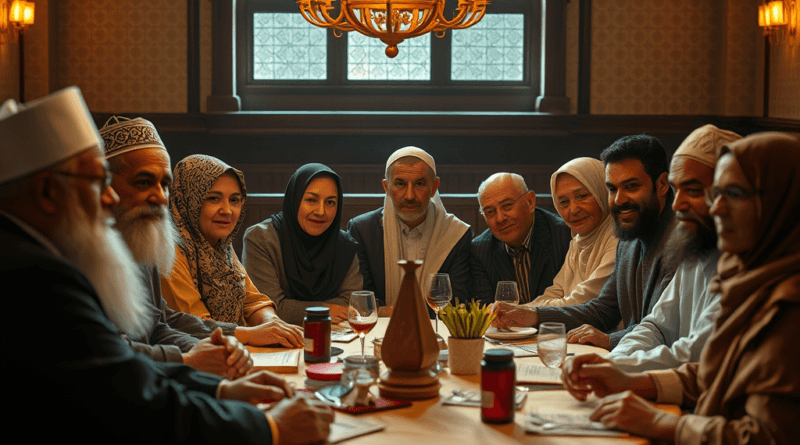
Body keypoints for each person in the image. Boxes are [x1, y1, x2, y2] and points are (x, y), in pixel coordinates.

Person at [0, 87, 333, 444]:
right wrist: (270, 428)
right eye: (99, 183)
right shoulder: (35, 276)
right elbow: (128, 394)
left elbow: (151, 332)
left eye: (165, 184)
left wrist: (221, 390)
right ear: (48, 192)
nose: (109, 197)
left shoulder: (93, 247)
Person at [560, 132, 800, 444]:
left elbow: (766, 436)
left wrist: (662, 422)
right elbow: (707, 367)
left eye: (734, 193)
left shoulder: (788, 299)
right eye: (715, 194)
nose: (716, 208)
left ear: (778, 202)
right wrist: (622, 373)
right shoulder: (735, 267)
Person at [102, 117, 299, 378]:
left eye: (165, 185)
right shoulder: (155, 247)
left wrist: (215, 347)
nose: (161, 197)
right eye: (143, 182)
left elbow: (161, 323)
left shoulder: (151, 240)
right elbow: (112, 352)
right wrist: (195, 357)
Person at [493, 135, 678, 350]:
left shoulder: (681, 241)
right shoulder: (630, 236)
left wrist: (610, 340)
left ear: (662, 184)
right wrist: (533, 315)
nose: (618, 200)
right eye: (612, 189)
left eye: (631, 186)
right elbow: (603, 309)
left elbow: (667, 328)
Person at [609, 125, 741, 372]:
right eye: (676, 189)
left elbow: (696, 354)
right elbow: (656, 326)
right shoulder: (695, 248)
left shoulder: (749, 265)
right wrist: (615, 360)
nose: (677, 204)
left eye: (692, 190)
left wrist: (617, 368)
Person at [160, 154, 303, 348]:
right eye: (213, 198)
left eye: (235, 200)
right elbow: (194, 324)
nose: (227, 210)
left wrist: (271, 322)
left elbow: (252, 300)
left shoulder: (219, 245)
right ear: (190, 200)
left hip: (233, 350)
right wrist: (253, 334)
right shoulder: (169, 249)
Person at [347, 146, 472, 315]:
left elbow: (457, 302)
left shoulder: (456, 234)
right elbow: (361, 300)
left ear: (434, 186)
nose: (410, 196)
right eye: (400, 184)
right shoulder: (362, 231)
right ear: (386, 187)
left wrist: (393, 311)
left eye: (420, 184)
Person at [243, 163, 362, 326]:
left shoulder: (345, 245)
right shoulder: (261, 239)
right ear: (295, 199)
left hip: (335, 336)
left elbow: (352, 303)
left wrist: (298, 309)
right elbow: (269, 308)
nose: (321, 211)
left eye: (330, 202)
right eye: (311, 200)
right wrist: (328, 309)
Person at [471, 172, 572, 305]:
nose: (500, 218)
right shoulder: (480, 250)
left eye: (507, 205)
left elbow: (573, 303)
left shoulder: (563, 236)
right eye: (490, 211)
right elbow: (486, 308)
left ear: (530, 202)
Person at [530, 158, 618, 307]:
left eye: (582, 196)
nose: (573, 209)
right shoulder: (578, 241)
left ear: (602, 192)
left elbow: (580, 301)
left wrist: (524, 312)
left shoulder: (618, 237)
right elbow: (555, 292)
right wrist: (519, 310)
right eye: (563, 202)